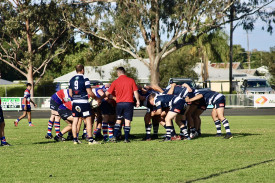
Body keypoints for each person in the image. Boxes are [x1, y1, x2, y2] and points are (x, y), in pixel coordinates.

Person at [105, 67, 140, 143]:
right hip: (129, 103)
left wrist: (103, 98)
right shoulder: (131, 80)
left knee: (118, 120)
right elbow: (135, 92)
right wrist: (137, 101)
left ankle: (114, 137)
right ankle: (126, 139)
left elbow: (107, 93)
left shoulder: (115, 81)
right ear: (124, 72)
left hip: (119, 103)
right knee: (127, 121)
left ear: (118, 73)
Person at [69, 64, 101, 145]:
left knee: (75, 120)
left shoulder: (71, 79)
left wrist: (75, 98)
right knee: (88, 119)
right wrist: (97, 98)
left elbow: (70, 93)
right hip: (83, 102)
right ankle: (90, 140)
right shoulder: (85, 79)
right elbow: (89, 92)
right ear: (82, 70)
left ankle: (75, 139)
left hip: (75, 102)